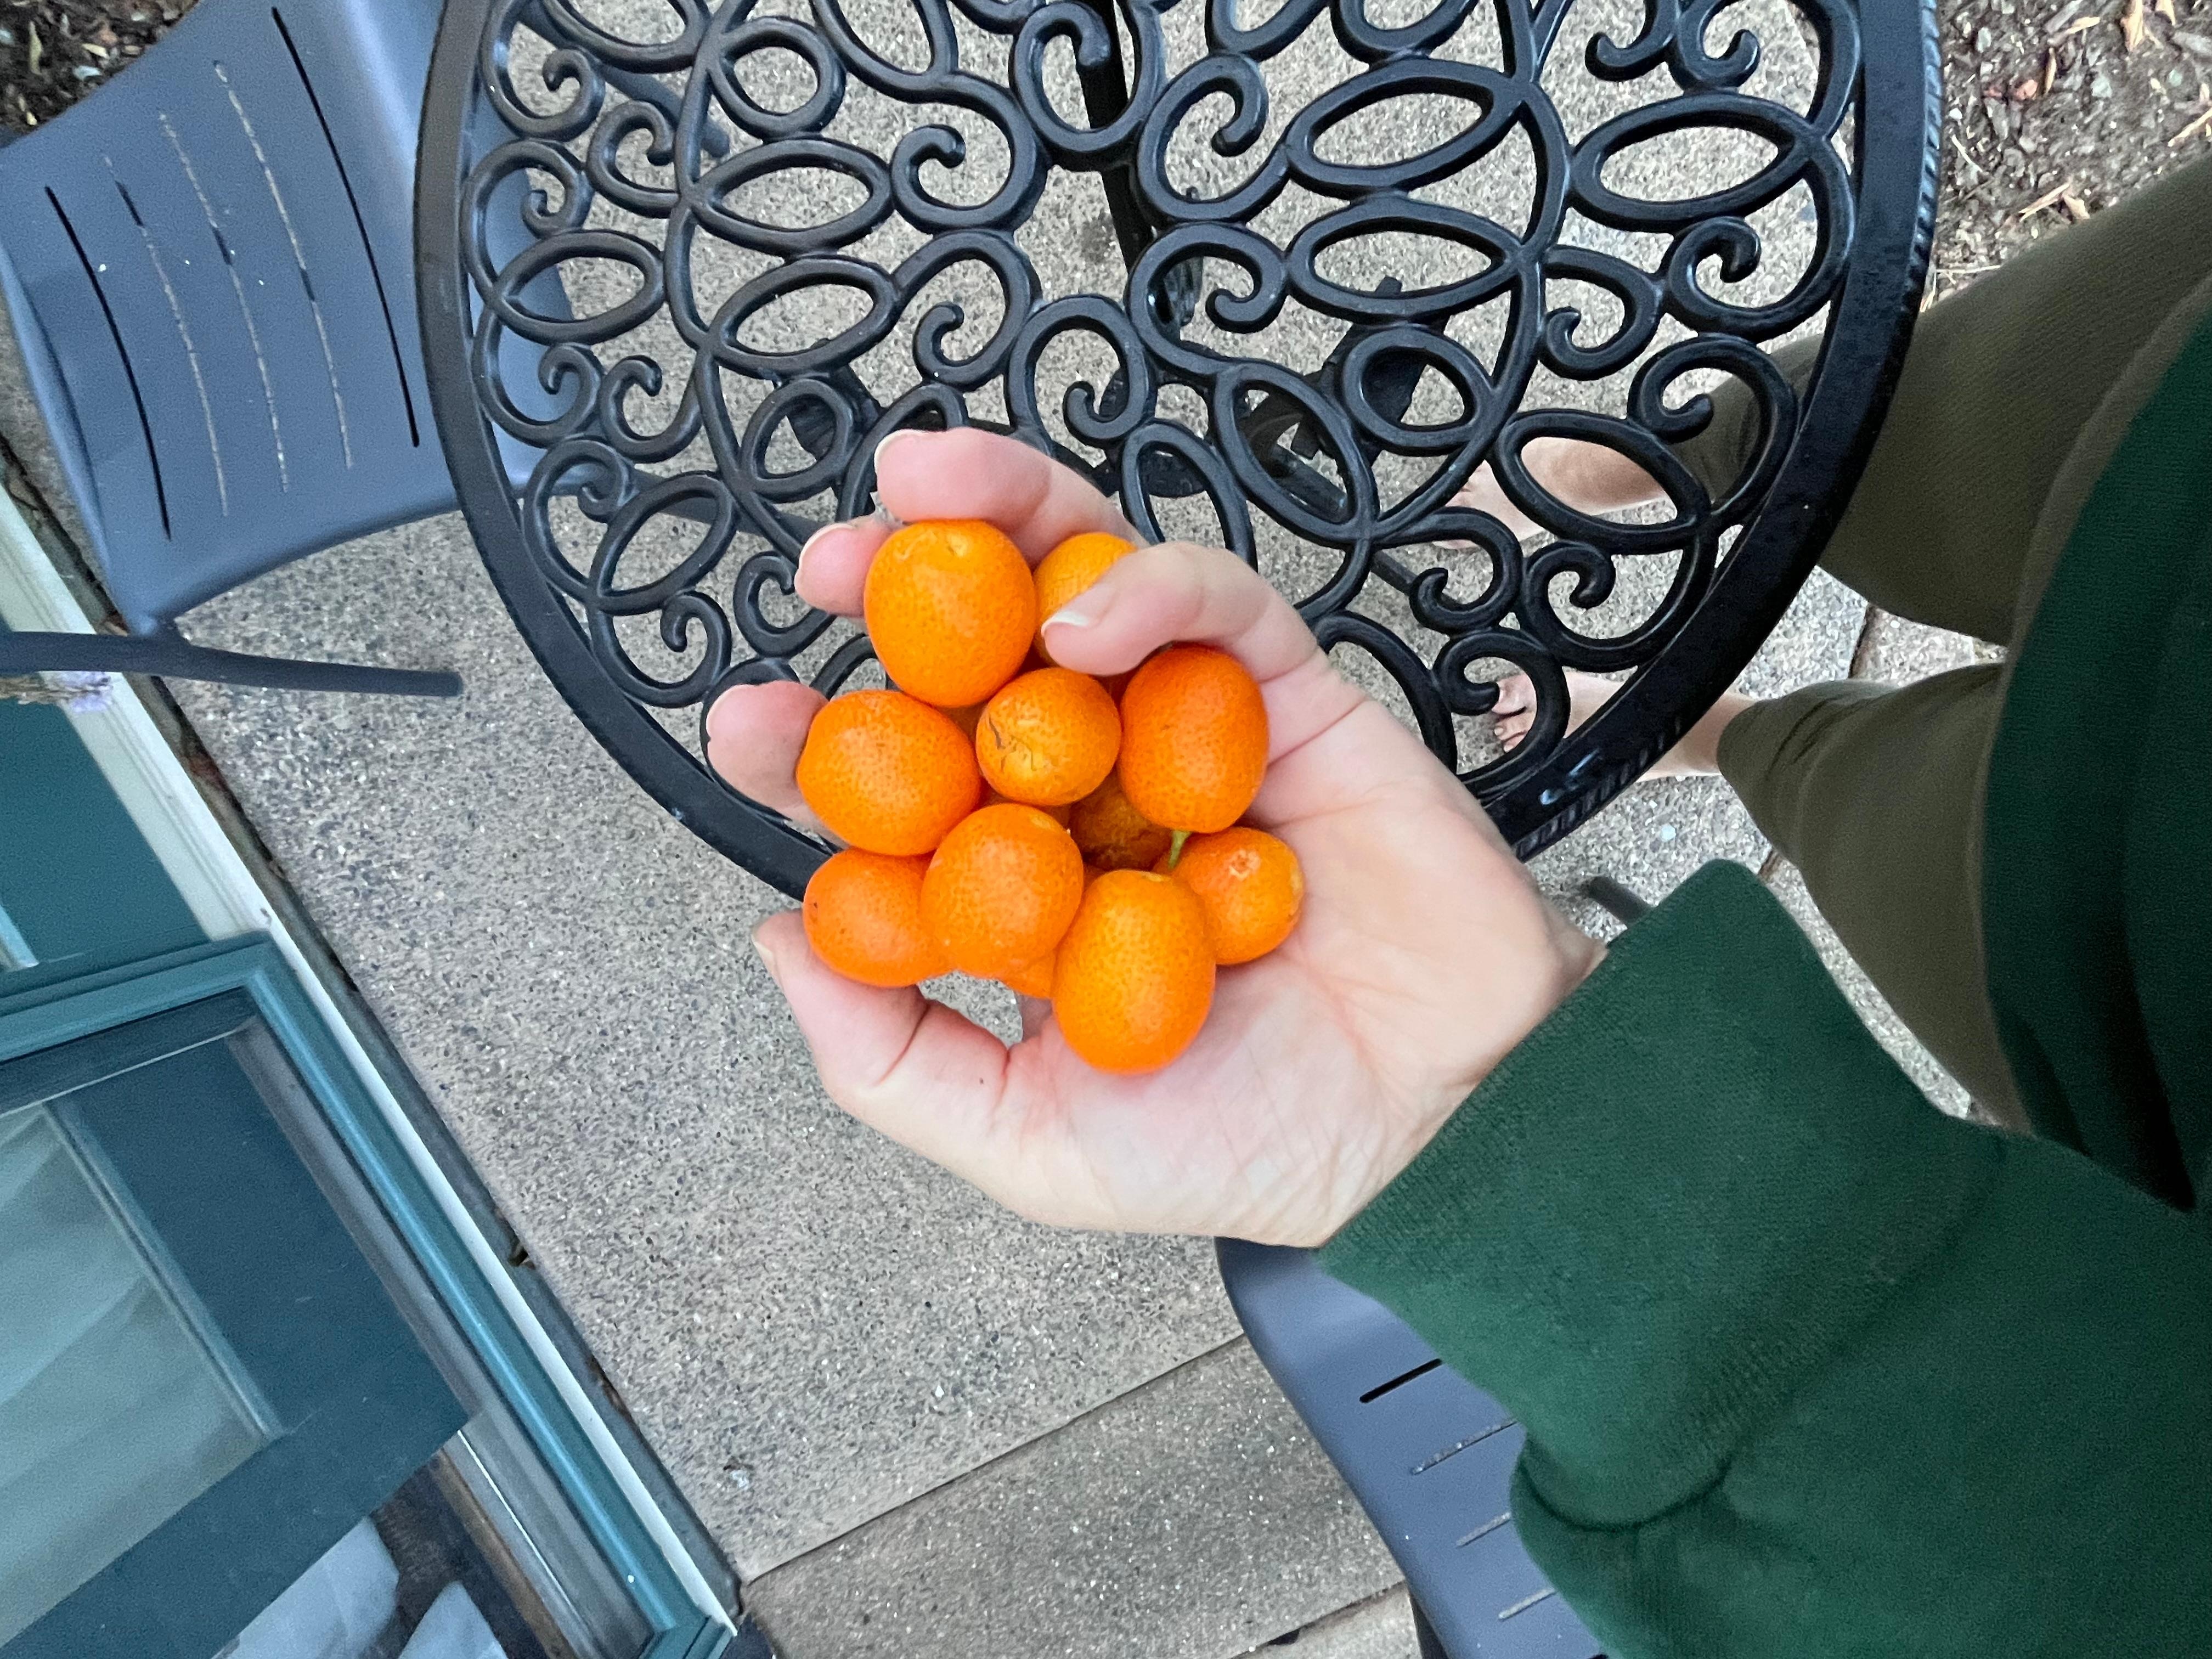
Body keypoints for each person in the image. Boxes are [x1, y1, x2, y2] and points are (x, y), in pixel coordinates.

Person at [706, 156, 2212, 1655]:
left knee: (1883, 795)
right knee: (1916, 430)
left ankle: (1733, 728)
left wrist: (1524, 1140)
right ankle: (1663, 471)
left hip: (2151, 958)